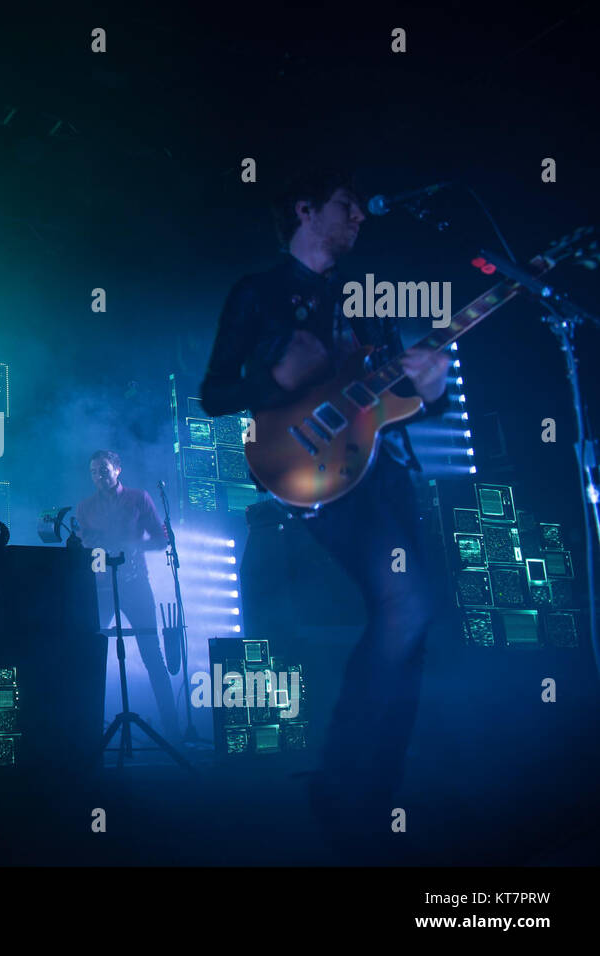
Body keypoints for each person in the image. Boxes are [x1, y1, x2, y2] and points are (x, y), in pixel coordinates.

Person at [199, 169, 451, 855]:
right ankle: (344, 786)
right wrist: (272, 378)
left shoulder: (367, 299)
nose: (360, 217)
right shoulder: (258, 292)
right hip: (309, 473)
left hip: (382, 471)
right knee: (406, 607)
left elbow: (397, 393)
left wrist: (434, 390)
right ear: (306, 209)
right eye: (346, 205)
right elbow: (214, 392)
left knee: (417, 618)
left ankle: (372, 792)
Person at [75, 449, 180, 739]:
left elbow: (160, 541)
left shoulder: (139, 498)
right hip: (102, 587)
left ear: (117, 469)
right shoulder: (84, 508)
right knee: (90, 653)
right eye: (94, 471)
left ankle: (173, 732)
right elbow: (86, 548)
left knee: (152, 654)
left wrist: (132, 546)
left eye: (104, 470)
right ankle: (87, 732)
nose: (99, 475)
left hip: (136, 584)